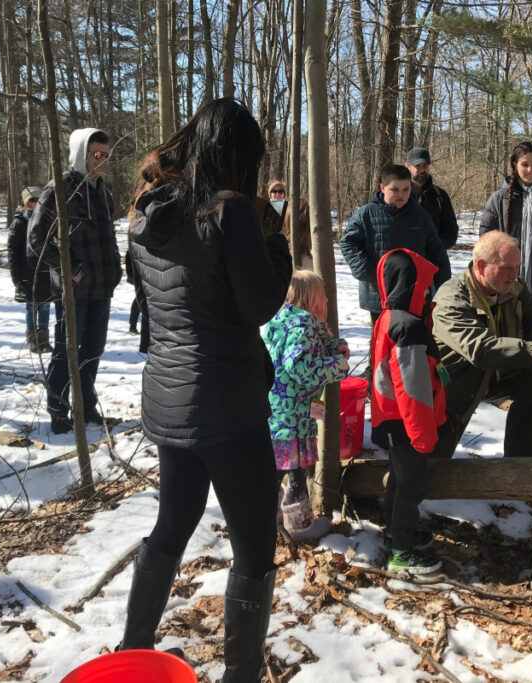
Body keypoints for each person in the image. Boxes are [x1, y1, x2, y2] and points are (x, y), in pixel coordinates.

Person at [119, 98, 292, 682]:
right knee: (254, 545)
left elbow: (159, 298)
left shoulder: (149, 207)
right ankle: (240, 677)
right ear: (236, 155)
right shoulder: (230, 211)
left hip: (168, 395)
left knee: (173, 521)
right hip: (226, 403)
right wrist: (278, 244)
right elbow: (261, 303)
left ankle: (132, 654)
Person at [432, 231, 532, 459]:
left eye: (517, 267)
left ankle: (520, 466)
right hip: (454, 387)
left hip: (495, 375)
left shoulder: (513, 288)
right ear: (481, 266)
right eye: (506, 268)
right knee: (431, 472)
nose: (514, 274)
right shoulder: (451, 299)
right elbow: (480, 350)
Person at [27, 128, 122, 434]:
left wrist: (116, 269)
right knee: (67, 350)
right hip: (74, 289)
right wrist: (67, 269)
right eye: (96, 154)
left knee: (93, 349)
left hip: (102, 286)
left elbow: (108, 235)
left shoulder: (103, 191)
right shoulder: (60, 188)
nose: (101, 161)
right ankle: (58, 409)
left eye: (105, 155)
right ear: (81, 153)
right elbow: (36, 239)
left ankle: (85, 405)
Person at [370, 248, 448, 574]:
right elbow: (412, 387)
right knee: (411, 486)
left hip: (389, 419)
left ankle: (393, 537)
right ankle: (401, 552)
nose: (428, 291)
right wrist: (422, 435)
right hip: (406, 423)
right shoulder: (407, 327)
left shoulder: (388, 318)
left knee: (398, 482)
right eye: (423, 286)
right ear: (409, 284)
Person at [262, 270, 349, 541]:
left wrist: (333, 347)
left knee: (277, 468)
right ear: (312, 299)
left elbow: (299, 352)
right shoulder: (305, 325)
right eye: (323, 295)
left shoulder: (283, 320)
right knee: (297, 470)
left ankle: (266, 520)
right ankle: (300, 527)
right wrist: (338, 365)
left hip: (277, 411)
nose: (326, 301)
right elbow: (299, 366)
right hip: (294, 415)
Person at [340, 163, 451, 323]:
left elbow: (437, 251)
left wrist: (443, 290)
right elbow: (348, 244)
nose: (401, 194)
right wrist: (373, 274)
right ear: (383, 187)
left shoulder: (420, 215)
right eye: (395, 189)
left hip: (414, 294)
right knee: (381, 342)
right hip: (379, 296)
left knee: (413, 343)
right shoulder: (366, 214)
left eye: (406, 189)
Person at [480, 141, 532, 311]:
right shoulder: (500, 199)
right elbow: (485, 238)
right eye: (525, 164)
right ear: (515, 165)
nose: (530, 170)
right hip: (507, 275)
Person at [7, 186, 52, 354]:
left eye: (38, 199)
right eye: (32, 200)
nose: (36, 203)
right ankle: (32, 341)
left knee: (45, 306)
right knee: (32, 307)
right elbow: (12, 252)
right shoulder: (19, 222)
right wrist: (16, 277)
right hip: (26, 272)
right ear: (26, 202)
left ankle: (44, 340)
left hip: (45, 271)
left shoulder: (47, 220)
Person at [405, 147, 458, 249]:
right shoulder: (398, 195)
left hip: (433, 259)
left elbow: (451, 229)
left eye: (424, 166)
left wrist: (438, 246)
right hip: (404, 257)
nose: (422, 170)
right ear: (408, 167)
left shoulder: (440, 195)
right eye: (417, 166)